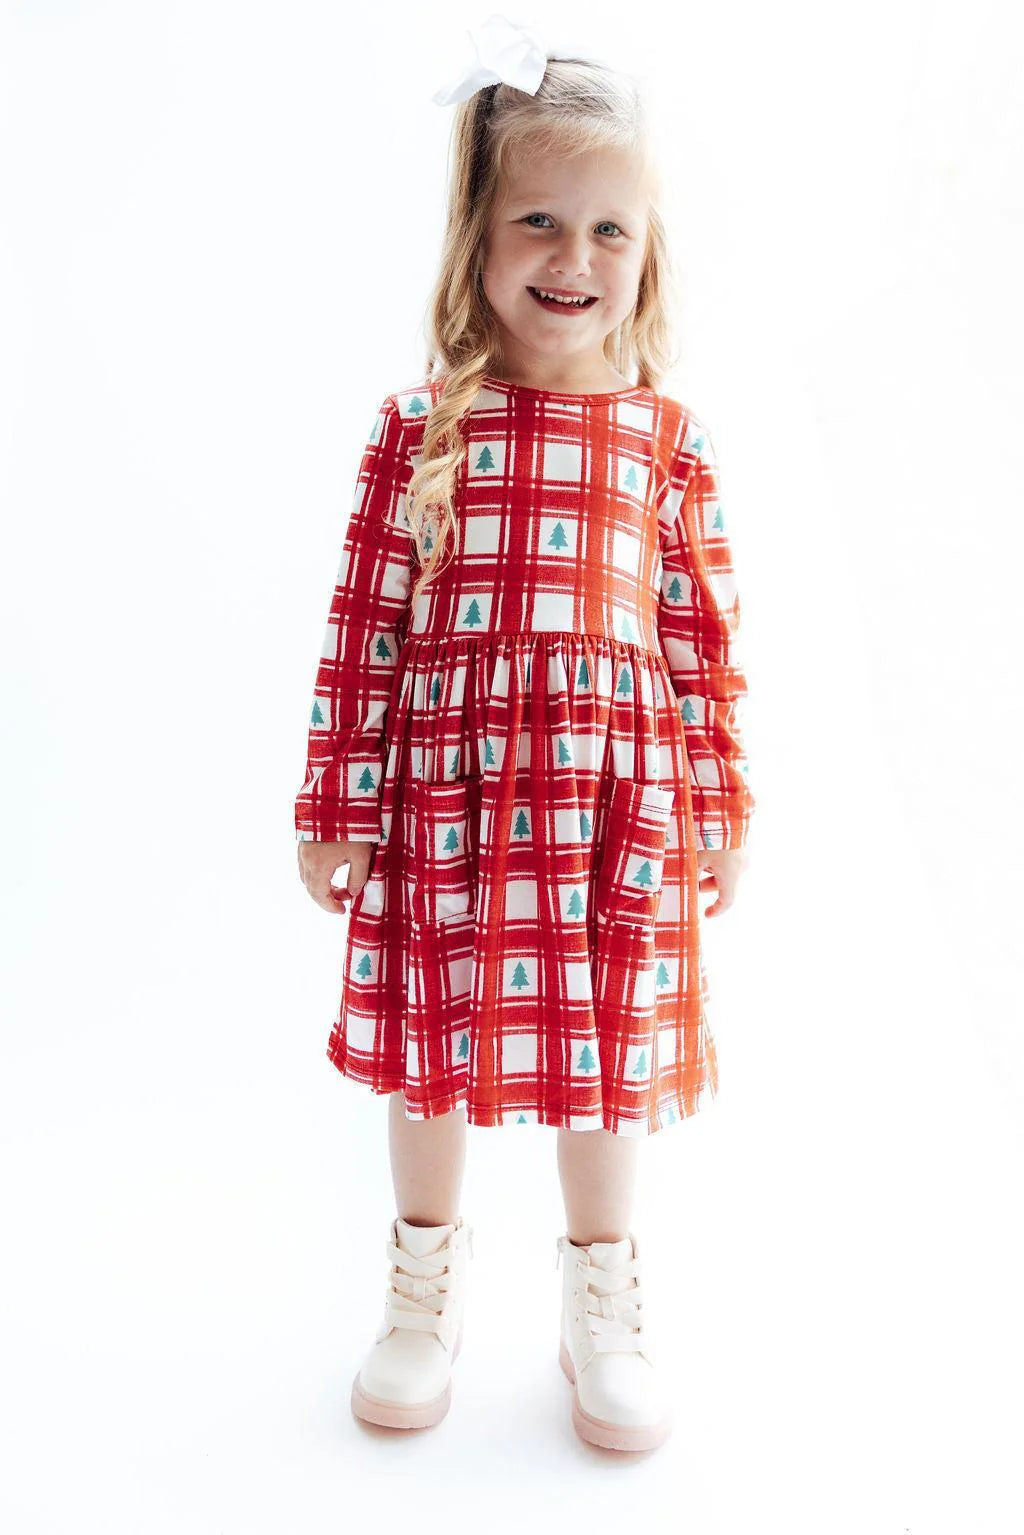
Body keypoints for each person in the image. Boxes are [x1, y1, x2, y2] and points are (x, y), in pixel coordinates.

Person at [293, 17, 755, 1452]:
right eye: (538, 221)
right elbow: (365, 630)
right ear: (477, 239)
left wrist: (720, 807)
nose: (574, 257)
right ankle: (419, 1295)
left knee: (603, 1051)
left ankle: (600, 1305)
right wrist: (337, 804)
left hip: (614, 804)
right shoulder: (421, 426)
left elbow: (702, 643)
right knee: (429, 1042)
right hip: (450, 796)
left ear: (648, 252)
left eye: (610, 228)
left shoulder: (665, 439)